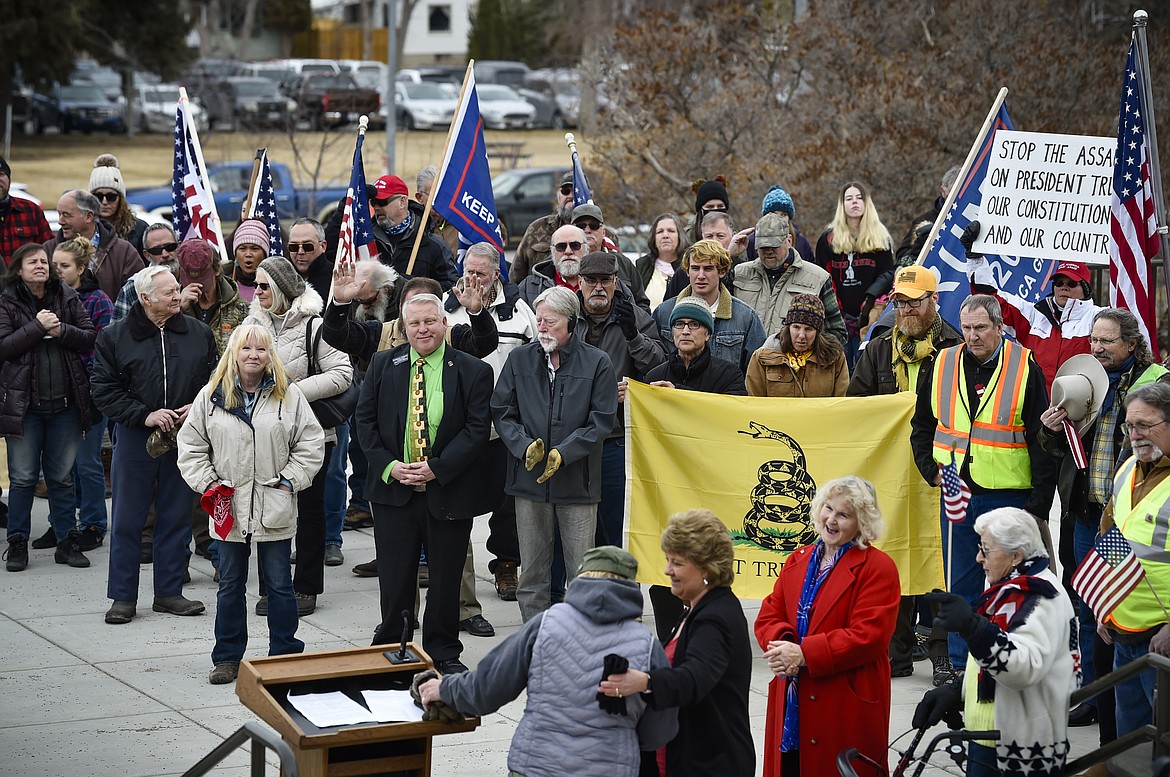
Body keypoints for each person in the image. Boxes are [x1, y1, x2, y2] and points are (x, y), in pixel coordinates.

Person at [417, 546, 678, 777]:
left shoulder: (546, 625)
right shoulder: (647, 645)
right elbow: (659, 732)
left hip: (535, 765)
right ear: (630, 586)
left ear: (582, 578)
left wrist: (444, 688)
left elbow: (487, 688)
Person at [910, 294, 1057, 670]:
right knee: (961, 582)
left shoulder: (1024, 366)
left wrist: (1039, 503)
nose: (973, 336)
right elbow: (923, 427)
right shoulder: (942, 362)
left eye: (981, 328)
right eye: (968, 328)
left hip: (1006, 494)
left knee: (1006, 582)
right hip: (956, 489)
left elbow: (1041, 439)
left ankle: (1004, 661)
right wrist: (932, 471)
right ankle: (963, 667)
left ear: (999, 328)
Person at [1039, 308, 1168, 735]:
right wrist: (1053, 430)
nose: (1097, 348)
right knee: (1089, 604)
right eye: (1094, 340)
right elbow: (1056, 451)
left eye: (1108, 341)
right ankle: (1094, 696)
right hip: (1091, 512)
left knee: (1113, 610)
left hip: (1136, 518)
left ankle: (1113, 707)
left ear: (1132, 343)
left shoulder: (1156, 385)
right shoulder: (1086, 381)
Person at [177, 324, 325, 685]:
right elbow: (191, 446)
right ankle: (227, 658)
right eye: (246, 349)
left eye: (261, 349)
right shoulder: (210, 396)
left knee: (278, 584)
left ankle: (284, 654)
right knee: (230, 584)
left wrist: (289, 480)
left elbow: (311, 442)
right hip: (229, 507)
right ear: (234, 353)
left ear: (270, 355)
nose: (253, 356)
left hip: (274, 504)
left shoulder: (289, 396)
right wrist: (210, 484)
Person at [356, 292, 494, 674]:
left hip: (447, 491)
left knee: (447, 579)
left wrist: (438, 467)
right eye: (414, 323)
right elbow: (364, 425)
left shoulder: (472, 370)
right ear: (404, 327)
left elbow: (476, 430)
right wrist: (390, 467)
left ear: (444, 323)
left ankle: (445, 650)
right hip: (393, 491)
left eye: (430, 321)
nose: (422, 329)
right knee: (396, 577)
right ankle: (393, 646)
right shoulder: (383, 364)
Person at [848, 265, 964, 684]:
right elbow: (855, 407)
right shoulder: (878, 350)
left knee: (937, 563)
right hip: (891, 477)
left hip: (937, 474)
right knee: (891, 559)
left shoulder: (956, 347)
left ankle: (942, 656)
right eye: (899, 301)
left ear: (934, 301)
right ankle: (893, 655)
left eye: (914, 301)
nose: (906, 309)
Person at [92, 265, 217, 624]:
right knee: (128, 519)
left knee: (176, 516)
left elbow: (215, 380)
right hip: (135, 436)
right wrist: (144, 415)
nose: (177, 296)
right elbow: (103, 390)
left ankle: (169, 592)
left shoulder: (199, 333)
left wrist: (199, 404)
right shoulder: (114, 337)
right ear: (146, 298)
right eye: (168, 292)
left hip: (184, 436)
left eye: (177, 289)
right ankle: (122, 597)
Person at [754, 476, 901, 777]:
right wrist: (782, 645)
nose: (831, 520)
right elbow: (770, 612)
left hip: (842, 702)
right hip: (792, 694)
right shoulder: (799, 557)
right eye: (828, 509)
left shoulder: (878, 567)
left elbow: (869, 636)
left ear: (863, 522)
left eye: (844, 515)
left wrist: (805, 654)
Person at [914, 507, 1077, 777]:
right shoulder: (1009, 588)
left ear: (1016, 556)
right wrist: (959, 691)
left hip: (1021, 750)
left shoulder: (1041, 596)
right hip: (990, 738)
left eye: (986, 550)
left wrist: (973, 628)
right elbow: (993, 659)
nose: (978, 558)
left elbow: (1023, 668)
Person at [492, 286, 617, 623]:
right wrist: (523, 446)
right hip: (528, 483)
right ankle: (534, 636)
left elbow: (602, 420)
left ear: (571, 323)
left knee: (580, 572)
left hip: (578, 485)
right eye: (540, 319)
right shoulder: (520, 359)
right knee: (532, 572)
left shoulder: (597, 362)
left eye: (551, 321)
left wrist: (564, 453)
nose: (542, 326)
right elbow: (502, 410)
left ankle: (579, 634)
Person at [598, 508, 755, 777]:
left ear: (708, 567)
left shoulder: (715, 619)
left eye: (677, 563)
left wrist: (644, 682)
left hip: (710, 762)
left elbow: (694, 679)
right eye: (668, 560)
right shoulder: (696, 609)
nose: (667, 570)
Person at [244, 255, 353, 616]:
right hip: (263, 438)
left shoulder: (316, 325)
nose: (256, 291)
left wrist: (291, 393)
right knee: (266, 512)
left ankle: (306, 588)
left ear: (280, 287)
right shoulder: (252, 324)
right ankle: (271, 588)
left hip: (312, 436)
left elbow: (342, 373)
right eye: (254, 284)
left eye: (263, 285)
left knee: (309, 514)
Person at [443, 242, 539, 601]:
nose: (473, 279)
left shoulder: (519, 313)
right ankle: (453, 570)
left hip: (506, 427)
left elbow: (535, 363)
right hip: (459, 426)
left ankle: (506, 566)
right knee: (458, 503)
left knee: (507, 504)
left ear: (496, 274)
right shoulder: (445, 308)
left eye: (480, 274)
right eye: (468, 271)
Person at [0, 243, 97, 572]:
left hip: (65, 405)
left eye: (44, 260)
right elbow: (4, 347)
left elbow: (89, 336)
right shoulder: (8, 299)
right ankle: (17, 544)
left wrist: (61, 330)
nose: (40, 265)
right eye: (32, 262)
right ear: (19, 269)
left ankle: (67, 541)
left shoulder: (67, 295)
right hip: (24, 407)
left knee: (62, 478)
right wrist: (37, 327)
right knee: (24, 478)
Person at [1094, 382, 1170, 738]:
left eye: (1144, 426)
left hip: (1162, 638)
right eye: (1130, 426)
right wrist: (1104, 606)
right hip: (1122, 632)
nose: (1135, 434)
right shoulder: (1126, 470)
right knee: (1130, 741)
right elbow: (1110, 539)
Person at [577, 251, 665, 547]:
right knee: (577, 527)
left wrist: (633, 336)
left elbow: (657, 368)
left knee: (618, 526)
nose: (598, 287)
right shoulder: (566, 316)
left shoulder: (637, 318)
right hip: (572, 438)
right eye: (591, 281)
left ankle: (618, 590)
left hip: (616, 438)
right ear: (580, 282)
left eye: (605, 280)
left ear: (616, 282)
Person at [964, 221, 1098, 393]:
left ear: (1085, 289)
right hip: (1034, 412)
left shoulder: (1099, 319)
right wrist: (975, 258)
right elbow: (990, 301)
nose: (1064, 287)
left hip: (1080, 412)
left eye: (1071, 283)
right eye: (1059, 282)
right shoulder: (1034, 315)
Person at [52, 237, 113, 553]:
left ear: (81, 268)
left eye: (64, 266)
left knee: (87, 462)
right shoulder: (49, 297)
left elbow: (101, 349)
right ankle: (62, 524)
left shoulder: (98, 300)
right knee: (60, 465)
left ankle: (93, 524)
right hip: (56, 392)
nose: (57, 271)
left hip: (89, 392)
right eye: (54, 265)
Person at [652, 240, 765, 374]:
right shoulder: (663, 313)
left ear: (722, 272)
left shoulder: (745, 317)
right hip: (673, 393)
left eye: (708, 268)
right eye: (695, 268)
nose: (700, 276)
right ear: (687, 271)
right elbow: (652, 362)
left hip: (725, 393)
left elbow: (756, 372)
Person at [814, 182, 895, 369]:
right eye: (849, 199)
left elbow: (888, 273)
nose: (854, 202)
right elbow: (823, 275)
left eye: (859, 198)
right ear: (842, 205)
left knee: (865, 365)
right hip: (837, 316)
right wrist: (836, 310)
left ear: (867, 203)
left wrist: (869, 299)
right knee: (839, 366)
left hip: (870, 314)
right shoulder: (827, 240)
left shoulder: (881, 237)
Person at [733, 212, 846, 346]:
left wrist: (807, 354)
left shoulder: (818, 278)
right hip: (744, 365)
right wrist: (729, 255)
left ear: (789, 241)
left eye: (774, 246)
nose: (768, 251)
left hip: (795, 366)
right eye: (763, 247)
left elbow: (838, 334)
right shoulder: (739, 273)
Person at [45, 189, 143, 303]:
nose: (60, 221)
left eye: (66, 215)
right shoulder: (48, 250)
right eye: (59, 214)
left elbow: (137, 299)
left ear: (89, 216)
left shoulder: (124, 252)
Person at [364, 174, 458, 289]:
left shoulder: (433, 244)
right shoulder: (367, 241)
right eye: (373, 202)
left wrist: (415, 287)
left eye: (383, 201)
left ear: (402, 202)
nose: (377, 207)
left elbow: (452, 286)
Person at [746, 294, 848, 398]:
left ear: (818, 332)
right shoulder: (763, 357)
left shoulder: (834, 358)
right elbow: (755, 403)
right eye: (796, 327)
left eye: (808, 329)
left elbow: (841, 403)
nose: (801, 335)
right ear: (788, 327)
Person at [645, 296, 746, 395]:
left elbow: (730, 410)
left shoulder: (729, 375)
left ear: (708, 334)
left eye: (694, 324)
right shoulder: (654, 377)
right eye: (679, 324)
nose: (685, 331)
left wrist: (678, 393)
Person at [570, 203, 650, 311]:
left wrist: (632, 323)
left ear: (603, 232)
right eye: (581, 226)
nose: (587, 230)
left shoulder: (622, 263)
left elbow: (642, 303)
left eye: (594, 225)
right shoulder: (563, 263)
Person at [177, 239, 251, 356]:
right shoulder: (172, 308)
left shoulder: (243, 310)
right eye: (190, 278)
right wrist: (179, 311)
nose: (196, 284)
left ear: (216, 270)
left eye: (201, 277)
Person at [729, 185, 817, 267]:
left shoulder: (801, 241)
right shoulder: (752, 241)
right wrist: (731, 255)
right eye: (774, 214)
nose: (778, 218)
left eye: (783, 214)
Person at [512, 171, 575, 284]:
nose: (570, 196)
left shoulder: (598, 233)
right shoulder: (536, 229)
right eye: (566, 191)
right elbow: (516, 275)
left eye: (576, 191)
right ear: (558, 196)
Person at [112, 223, 180, 321]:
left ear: (178, 247)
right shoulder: (133, 288)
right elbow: (116, 333)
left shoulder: (194, 278)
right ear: (147, 255)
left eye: (170, 247)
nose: (165, 254)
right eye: (156, 250)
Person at [88, 153, 148, 255]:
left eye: (111, 197)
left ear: (120, 199)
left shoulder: (139, 229)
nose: (104, 202)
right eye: (98, 196)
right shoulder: (81, 228)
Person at [517, 223, 589, 309]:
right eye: (561, 247)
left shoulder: (602, 281)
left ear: (586, 249)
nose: (568, 251)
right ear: (552, 251)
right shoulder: (529, 287)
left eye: (575, 245)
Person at [0, 155, 53, 266]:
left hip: (26, 282)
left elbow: (50, 250)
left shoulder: (31, 211)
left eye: (1, 174)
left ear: (9, 179)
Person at [635, 213, 690, 310]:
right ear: (654, 237)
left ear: (679, 236)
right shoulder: (642, 265)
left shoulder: (690, 265)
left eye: (671, 231)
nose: (665, 235)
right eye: (660, 231)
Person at [286, 218, 334, 298]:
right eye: (294, 247)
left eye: (308, 246)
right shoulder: (281, 279)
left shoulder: (336, 279)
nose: (300, 252)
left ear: (323, 246)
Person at [227, 219, 270, 302]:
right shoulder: (223, 286)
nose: (248, 254)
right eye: (242, 249)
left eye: (254, 249)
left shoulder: (275, 287)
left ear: (265, 254)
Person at [688, 176, 731, 243]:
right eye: (710, 207)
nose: (715, 210)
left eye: (720, 206)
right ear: (701, 210)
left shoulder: (735, 235)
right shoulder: (687, 237)